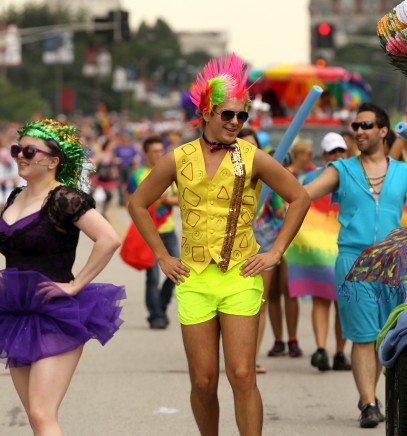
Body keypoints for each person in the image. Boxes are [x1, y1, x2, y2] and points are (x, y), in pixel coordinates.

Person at [128, 53, 310, 436]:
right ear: (206, 112)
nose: (235, 123)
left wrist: (275, 252)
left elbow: (299, 197)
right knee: (203, 382)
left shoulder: (252, 157)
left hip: (240, 276)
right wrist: (162, 256)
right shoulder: (178, 159)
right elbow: (138, 203)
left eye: (242, 116)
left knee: (242, 375)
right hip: (193, 278)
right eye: (228, 115)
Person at [0, 119, 125, 435]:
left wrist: (76, 284)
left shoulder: (64, 199)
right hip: (15, 313)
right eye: (17, 149)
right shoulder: (16, 196)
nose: (20, 156)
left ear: (53, 161)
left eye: (29, 150)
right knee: (34, 414)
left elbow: (109, 238)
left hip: (56, 313)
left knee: (43, 414)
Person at [304, 103, 407, 428]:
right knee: (361, 335)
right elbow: (302, 194)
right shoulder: (341, 170)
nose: (358, 131)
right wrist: (272, 189)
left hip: (393, 262)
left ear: (383, 131)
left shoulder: (404, 172)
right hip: (353, 261)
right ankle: (369, 404)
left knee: (385, 336)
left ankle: (368, 395)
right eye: (355, 126)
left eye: (366, 126)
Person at [290, 132, 350, 371]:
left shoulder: (355, 175)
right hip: (319, 250)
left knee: (342, 303)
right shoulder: (311, 179)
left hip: (345, 247)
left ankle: (339, 352)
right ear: (324, 155)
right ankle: (322, 349)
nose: (337, 156)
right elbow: (296, 201)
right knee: (321, 298)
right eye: (332, 152)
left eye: (341, 151)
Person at [238, 128, 286, 374]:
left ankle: (251, 358)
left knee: (260, 302)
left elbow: (281, 210)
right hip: (232, 244)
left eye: (252, 146)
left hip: (263, 242)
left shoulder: (267, 176)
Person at [267, 140, 316, 358]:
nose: (281, 167)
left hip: (291, 242)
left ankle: (293, 339)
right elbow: (275, 211)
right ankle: (279, 340)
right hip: (267, 240)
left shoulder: (295, 180)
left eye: (284, 163)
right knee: (273, 293)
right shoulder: (263, 183)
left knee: (290, 291)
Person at [127, 135, 179, 329]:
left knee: (179, 271)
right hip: (149, 232)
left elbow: (182, 199)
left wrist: (167, 201)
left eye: (160, 150)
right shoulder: (137, 176)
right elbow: (130, 202)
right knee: (153, 277)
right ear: (146, 153)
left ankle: (161, 305)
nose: (158, 154)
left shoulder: (171, 173)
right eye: (154, 151)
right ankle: (156, 316)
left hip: (168, 229)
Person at [91, 137, 118, 219]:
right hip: (99, 177)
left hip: (107, 178)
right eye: (111, 145)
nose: (112, 146)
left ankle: (103, 212)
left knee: (109, 196)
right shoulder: (101, 154)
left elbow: (113, 166)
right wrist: (94, 173)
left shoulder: (111, 155)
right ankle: (90, 210)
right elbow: (93, 162)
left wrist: (115, 174)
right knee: (91, 195)